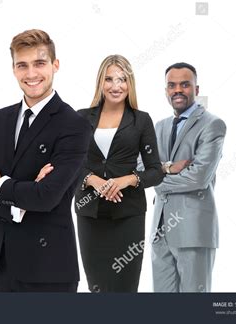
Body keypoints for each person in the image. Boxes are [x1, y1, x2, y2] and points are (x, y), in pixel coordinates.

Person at [0, 29, 91, 292]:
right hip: (1, 266)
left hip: (49, 268)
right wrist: (19, 205)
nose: (31, 74)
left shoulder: (74, 125)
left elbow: (47, 197)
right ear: (13, 69)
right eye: (22, 65)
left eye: (40, 63)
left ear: (55, 65)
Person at [75, 55, 163, 292]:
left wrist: (128, 179)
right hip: (90, 214)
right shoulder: (81, 117)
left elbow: (156, 171)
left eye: (122, 79)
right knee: (98, 287)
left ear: (130, 83)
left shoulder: (141, 120)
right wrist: (92, 180)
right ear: (100, 83)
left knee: (125, 288)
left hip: (128, 216)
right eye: (109, 79)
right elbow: (67, 163)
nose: (116, 86)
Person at [151, 62, 226, 292]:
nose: (178, 90)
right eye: (172, 85)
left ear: (196, 88)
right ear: (166, 91)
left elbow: (198, 178)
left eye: (185, 84)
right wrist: (168, 168)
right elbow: (142, 168)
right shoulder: (160, 126)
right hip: (160, 231)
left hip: (193, 230)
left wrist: (157, 181)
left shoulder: (212, 125)